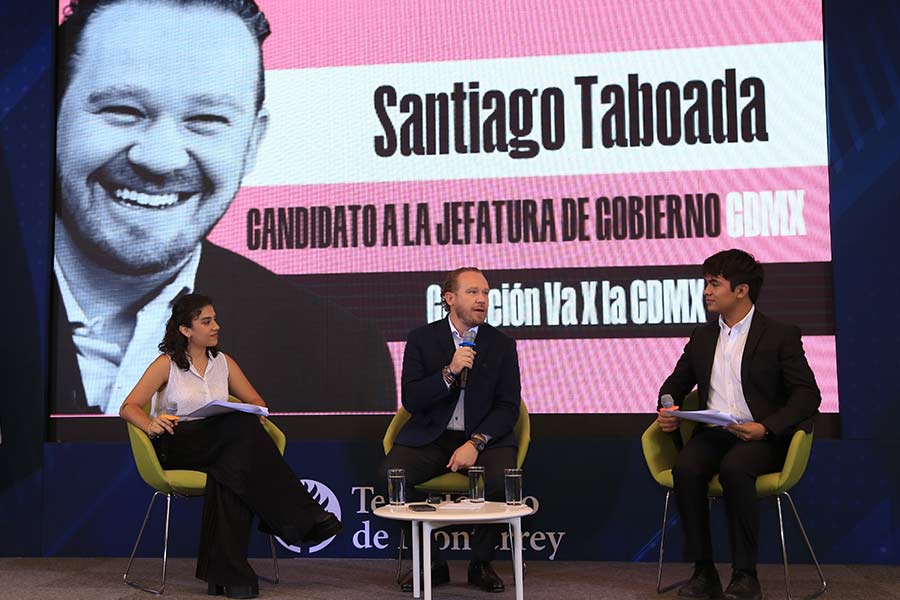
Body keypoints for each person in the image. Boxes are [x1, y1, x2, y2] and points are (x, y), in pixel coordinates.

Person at [53, 0, 395, 416]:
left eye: (207, 120)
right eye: (122, 110)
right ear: (51, 114)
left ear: (253, 141)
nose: (161, 158)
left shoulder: (338, 354)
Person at [120, 293, 342, 599]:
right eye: (206, 322)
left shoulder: (223, 363)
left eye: (215, 320)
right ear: (186, 330)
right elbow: (129, 406)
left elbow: (255, 401)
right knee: (238, 433)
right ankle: (301, 515)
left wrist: (256, 414)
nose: (216, 327)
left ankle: (228, 575)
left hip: (219, 448)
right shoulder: (166, 364)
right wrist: (150, 424)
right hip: (177, 445)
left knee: (232, 470)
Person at [656, 249, 821, 600]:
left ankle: (746, 575)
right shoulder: (702, 337)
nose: (706, 291)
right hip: (714, 434)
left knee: (735, 469)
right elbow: (675, 383)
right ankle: (703, 572)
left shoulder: (779, 335)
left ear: (741, 290)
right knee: (686, 468)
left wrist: (766, 427)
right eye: (705, 283)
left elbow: (808, 395)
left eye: (714, 284)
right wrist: (667, 406)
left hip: (761, 438)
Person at [381, 267, 521, 593]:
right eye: (473, 292)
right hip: (433, 434)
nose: (482, 299)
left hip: (486, 437)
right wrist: (449, 371)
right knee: (392, 474)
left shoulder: (502, 345)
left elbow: (508, 407)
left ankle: (481, 563)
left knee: (502, 480)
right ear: (450, 298)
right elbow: (412, 400)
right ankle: (433, 564)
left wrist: (477, 442)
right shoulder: (421, 339)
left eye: (485, 293)